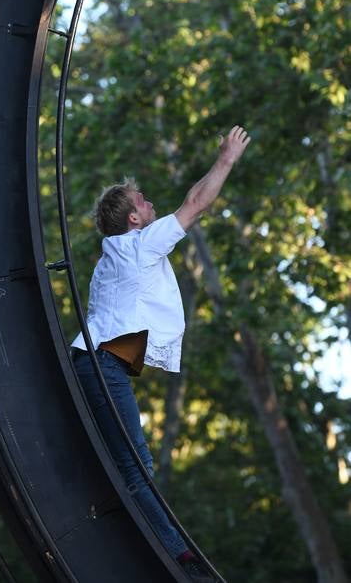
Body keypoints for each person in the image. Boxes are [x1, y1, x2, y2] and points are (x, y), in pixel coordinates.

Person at [71, 126, 251, 582]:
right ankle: (178, 559)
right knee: (137, 466)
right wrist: (226, 159)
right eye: (144, 201)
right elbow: (195, 203)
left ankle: (165, 553)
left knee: (131, 464)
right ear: (134, 218)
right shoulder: (138, 246)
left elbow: (188, 204)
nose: (151, 205)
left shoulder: (118, 253)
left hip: (99, 363)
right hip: (103, 363)